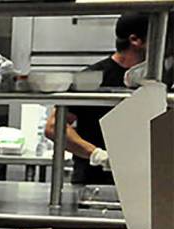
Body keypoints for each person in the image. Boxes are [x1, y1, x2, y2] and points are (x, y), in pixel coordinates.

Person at [45, 12, 148, 185]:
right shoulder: (91, 78)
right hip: (95, 184)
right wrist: (97, 155)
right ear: (135, 40)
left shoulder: (161, 78)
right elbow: (54, 126)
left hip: (145, 183)